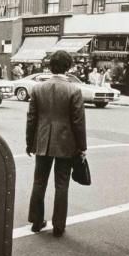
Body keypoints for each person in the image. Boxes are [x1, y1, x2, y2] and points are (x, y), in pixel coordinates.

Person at [26, 51, 87, 237]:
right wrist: (82, 147)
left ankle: (36, 221)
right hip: (65, 143)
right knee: (62, 184)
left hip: (42, 141)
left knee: (39, 182)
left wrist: (30, 143)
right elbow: (78, 122)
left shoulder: (38, 89)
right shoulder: (74, 90)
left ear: (50, 66)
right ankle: (58, 226)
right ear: (68, 67)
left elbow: (31, 119)